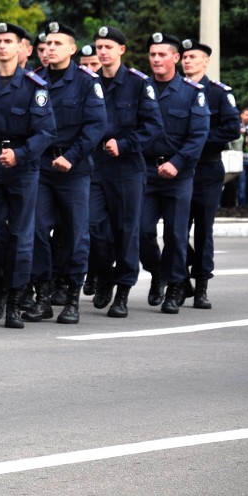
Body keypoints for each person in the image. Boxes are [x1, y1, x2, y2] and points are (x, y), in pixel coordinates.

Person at [0, 22, 55, 329]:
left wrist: (20, 154)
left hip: (22, 164)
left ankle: (14, 300)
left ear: (21, 48)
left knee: (20, 236)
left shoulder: (33, 86)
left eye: (9, 41)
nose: (3, 46)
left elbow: (46, 132)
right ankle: (1, 284)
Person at [28, 22, 106, 324]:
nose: (49, 48)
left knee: (75, 234)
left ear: (72, 49)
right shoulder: (35, 80)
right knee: (35, 230)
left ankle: (71, 298)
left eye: (57, 44)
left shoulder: (87, 82)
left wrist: (71, 158)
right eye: (47, 44)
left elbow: (96, 126)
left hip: (74, 169)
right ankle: (43, 296)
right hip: (42, 166)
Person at [89, 26, 162, 317]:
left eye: (108, 47)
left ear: (121, 50)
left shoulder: (138, 84)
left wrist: (126, 144)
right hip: (95, 167)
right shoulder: (90, 83)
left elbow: (153, 127)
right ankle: (105, 273)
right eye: (99, 47)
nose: (103, 52)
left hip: (128, 168)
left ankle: (123, 290)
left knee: (126, 230)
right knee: (93, 227)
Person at [139, 32, 209, 314]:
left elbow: (198, 135)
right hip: (145, 171)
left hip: (178, 174)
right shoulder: (141, 89)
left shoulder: (193, 93)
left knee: (176, 235)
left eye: (162, 54)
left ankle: (176, 284)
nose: (156, 59)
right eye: (153, 54)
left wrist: (177, 163)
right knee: (141, 232)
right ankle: (158, 273)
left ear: (176, 58)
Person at [179, 40, 240, 308]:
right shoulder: (175, 90)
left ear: (206, 62)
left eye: (193, 57)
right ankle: (181, 280)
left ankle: (201, 285)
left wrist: (199, 139)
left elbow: (232, 128)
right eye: (184, 57)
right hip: (179, 168)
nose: (187, 61)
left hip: (207, 168)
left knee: (203, 229)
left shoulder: (218, 93)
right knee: (176, 229)